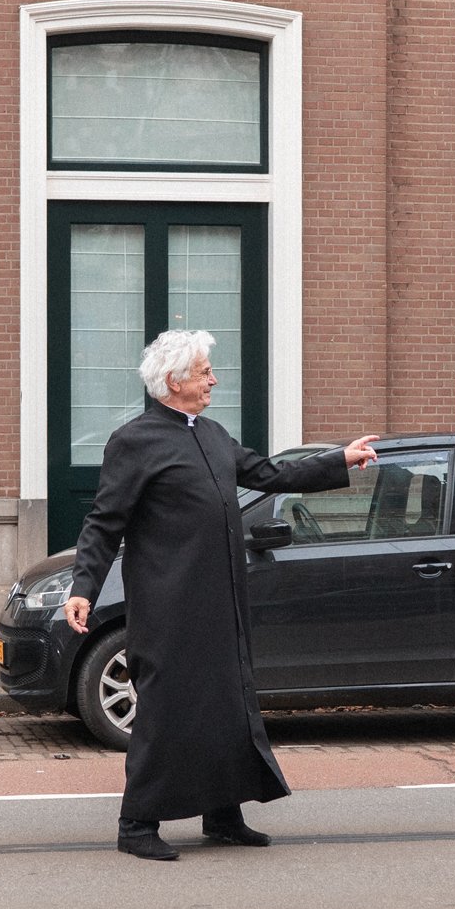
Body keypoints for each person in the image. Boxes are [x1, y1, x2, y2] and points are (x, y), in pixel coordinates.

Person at [64, 329, 380, 860]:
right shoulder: (134, 441)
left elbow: (272, 473)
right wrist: (83, 588)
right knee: (165, 710)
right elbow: (104, 523)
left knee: (226, 706)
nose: (214, 378)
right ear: (173, 381)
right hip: (167, 605)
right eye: (204, 370)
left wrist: (339, 459)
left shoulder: (211, 433)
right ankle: (137, 824)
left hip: (221, 601)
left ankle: (223, 815)